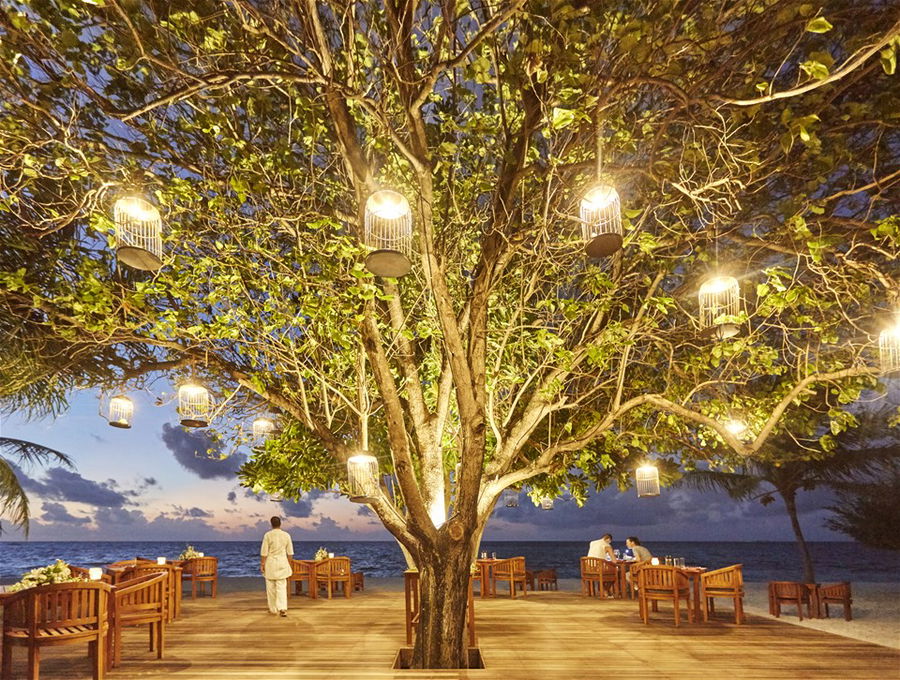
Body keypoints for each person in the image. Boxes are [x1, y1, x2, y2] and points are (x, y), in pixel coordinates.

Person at [260, 516, 294, 617]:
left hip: (270, 563)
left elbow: (264, 552)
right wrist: (289, 563)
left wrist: (262, 564)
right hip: (282, 562)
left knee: (270, 587)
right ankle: (282, 608)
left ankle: (273, 609)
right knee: (282, 586)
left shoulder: (268, 535)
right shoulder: (286, 535)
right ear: (280, 524)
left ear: (271, 524)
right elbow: (290, 553)